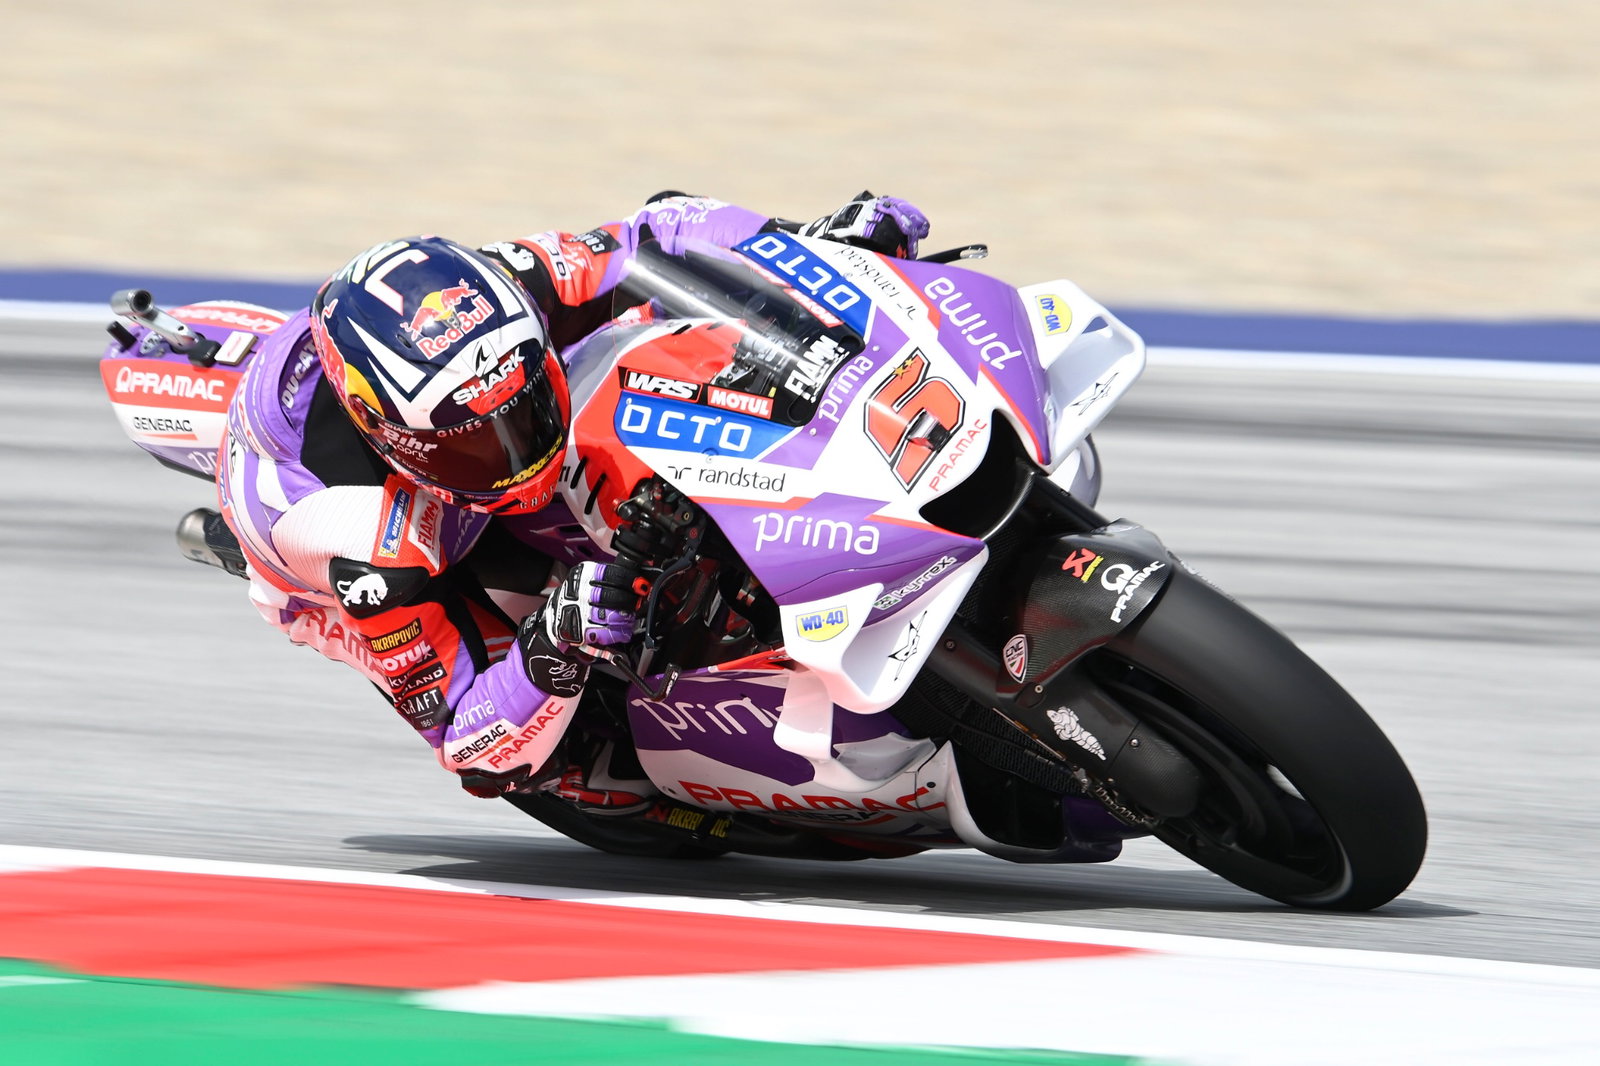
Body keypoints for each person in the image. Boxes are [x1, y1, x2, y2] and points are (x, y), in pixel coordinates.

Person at [215, 192, 931, 801]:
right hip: (370, 553)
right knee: (554, 756)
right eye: (475, 443)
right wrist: (551, 645)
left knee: (663, 331)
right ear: (395, 440)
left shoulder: (502, 292)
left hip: (431, 433)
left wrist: (811, 250)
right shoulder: (362, 545)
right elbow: (472, 749)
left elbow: (667, 227)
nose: (516, 455)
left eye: (523, 413)